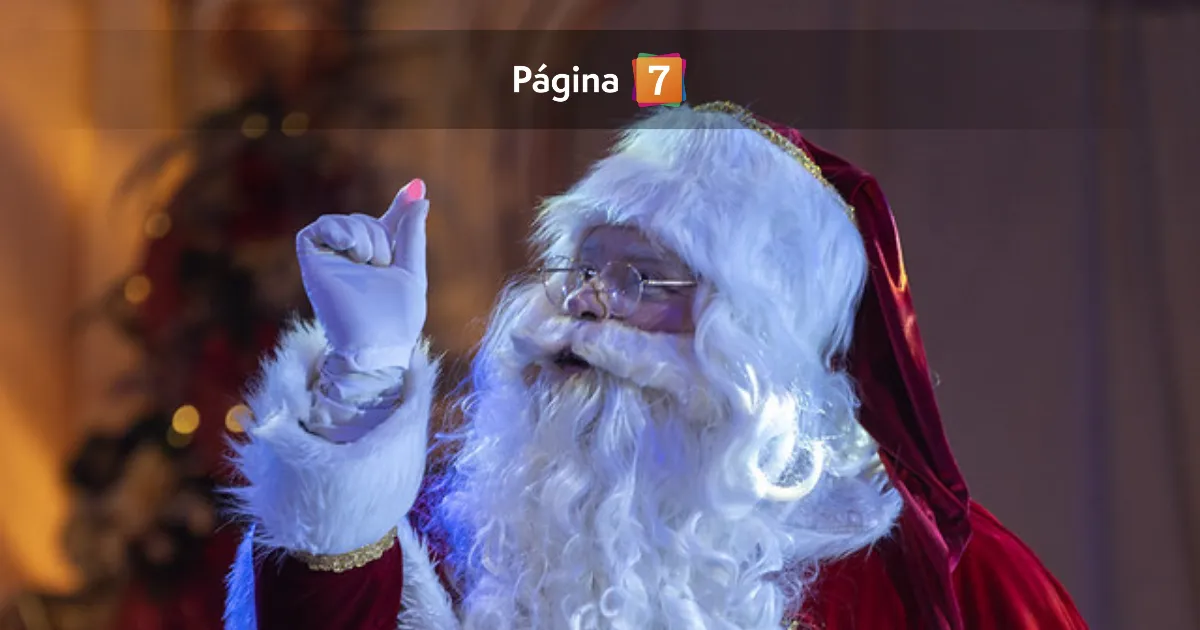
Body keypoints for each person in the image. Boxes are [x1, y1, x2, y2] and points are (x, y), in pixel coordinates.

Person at [222, 102, 1087, 629]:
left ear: (753, 339)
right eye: (581, 267)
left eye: (640, 278)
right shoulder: (456, 532)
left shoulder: (943, 585)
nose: (586, 303)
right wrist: (367, 371)